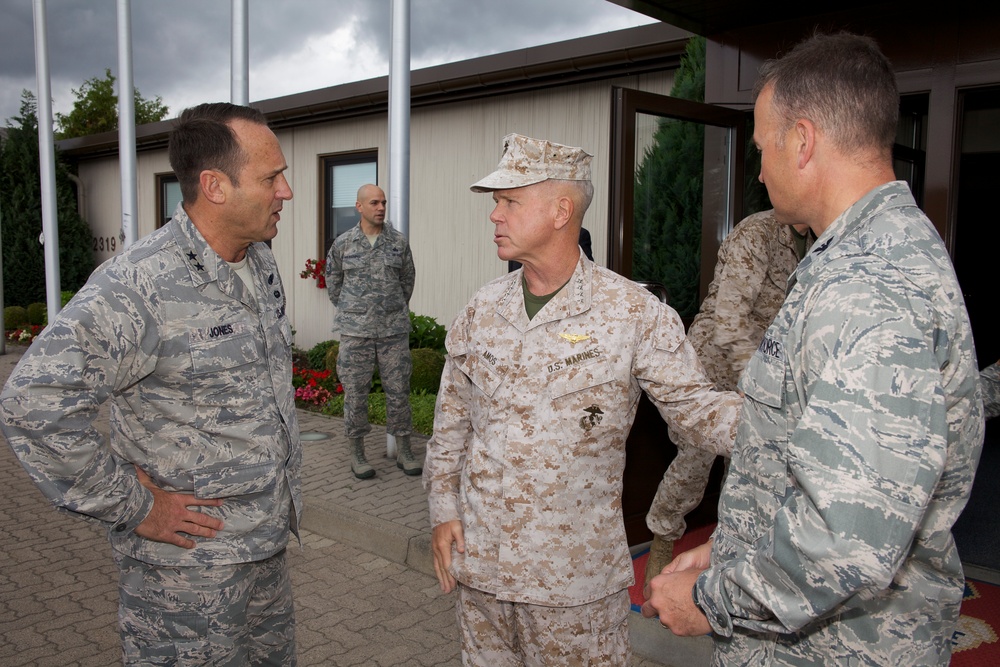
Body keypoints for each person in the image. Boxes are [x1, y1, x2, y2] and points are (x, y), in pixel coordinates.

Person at [642, 33, 984, 666]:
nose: (762, 168)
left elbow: (848, 538)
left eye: (764, 148)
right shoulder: (869, 255)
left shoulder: (867, 288)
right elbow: (812, 462)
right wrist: (733, 546)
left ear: (802, 142)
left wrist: (714, 599)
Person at [423, 132, 742, 665]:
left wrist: (796, 428)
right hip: (481, 570)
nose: (494, 216)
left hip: (573, 587)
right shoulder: (482, 309)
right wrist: (441, 510)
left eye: (509, 201)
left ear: (560, 211)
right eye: (496, 203)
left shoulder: (632, 313)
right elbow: (451, 424)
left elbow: (698, 411)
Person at [0, 102, 301, 664]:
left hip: (264, 551)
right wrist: (135, 504)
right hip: (185, 576)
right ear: (214, 186)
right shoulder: (140, 284)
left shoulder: (256, 260)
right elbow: (33, 403)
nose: (285, 191)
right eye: (271, 177)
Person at [644, 210, 812, 582]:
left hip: (763, 366)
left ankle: (730, 552)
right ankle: (662, 539)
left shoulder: (817, 240)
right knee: (694, 460)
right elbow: (731, 316)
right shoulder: (758, 232)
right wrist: (752, 381)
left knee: (748, 464)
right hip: (717, 361)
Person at [325, 184, 418, 478]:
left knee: (399, 392)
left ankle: (404, 451)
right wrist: (356, 311)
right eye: (374, 203)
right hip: (355, 333)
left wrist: (389, 310)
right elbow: (333, 284)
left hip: (393, 332)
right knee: (355, 394)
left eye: (384, 203)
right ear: (359, 206)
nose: (380, 208)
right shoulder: (343, 244)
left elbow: (407, 282)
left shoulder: (398, 243)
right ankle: (358, 454)